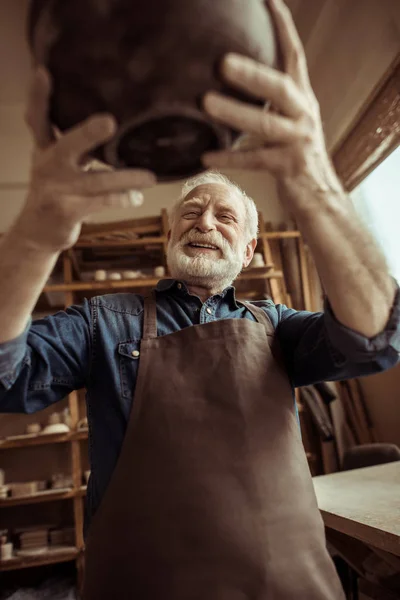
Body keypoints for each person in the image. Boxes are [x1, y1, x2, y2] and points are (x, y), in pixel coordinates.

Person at [0, 0, 399, 598]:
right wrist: (33, 237)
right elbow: (6, 378)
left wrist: (314, 183)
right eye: (189, 213)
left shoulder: (278, 326)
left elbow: (373, 341)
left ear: (249, 248)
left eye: (224, 216)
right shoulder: (105, 322)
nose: (204, 223)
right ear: (168, 238)